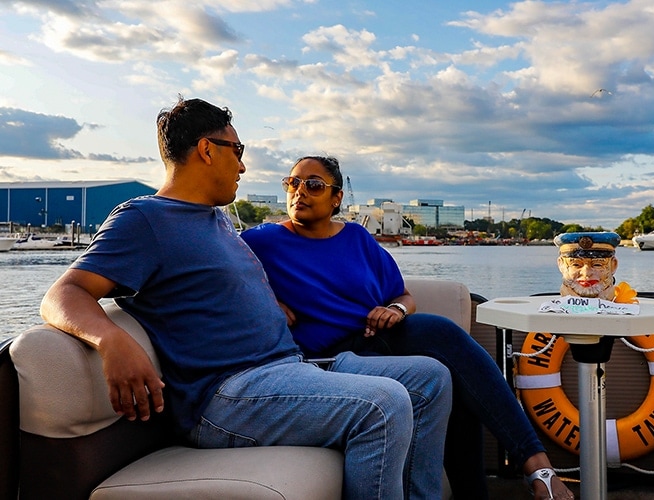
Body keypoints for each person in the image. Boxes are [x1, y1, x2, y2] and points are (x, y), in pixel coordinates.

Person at [39, 97, 452, 500]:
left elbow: (212, 284)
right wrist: (111, 341)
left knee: (431, 380)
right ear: (206, 150)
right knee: (383, 405)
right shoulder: (144, 218)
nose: (242, 164)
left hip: (289, 368)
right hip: (228, 396)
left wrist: (267, 300)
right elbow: (64, 293)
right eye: (236, 150)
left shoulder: (215, 219)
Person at [240, 155, 575, 500]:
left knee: (457, 382)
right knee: (442, 335)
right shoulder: (262, 240)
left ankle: (504, 483)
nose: (299, 192)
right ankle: (537, 466)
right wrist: (263, 300)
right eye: (292, 183)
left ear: (336, 197)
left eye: (313, 185)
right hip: (327, 359)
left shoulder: (357, 238)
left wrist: (396, 310)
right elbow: (219, 271)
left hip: (378, 338)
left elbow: (403, 295)